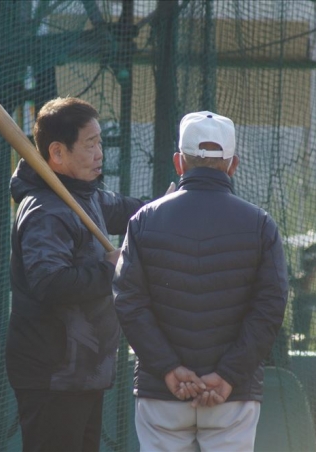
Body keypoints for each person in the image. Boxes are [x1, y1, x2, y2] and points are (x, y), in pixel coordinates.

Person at [113, 111, 289, 451]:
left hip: (162, 392)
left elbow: (128, 302)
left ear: (179, 162)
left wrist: (168, 369)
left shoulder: (144, 219)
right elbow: (270, 308)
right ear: (233, 164)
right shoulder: (260, 223)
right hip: (231, 396)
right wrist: (227, 375)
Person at [7, 96, 144, 452]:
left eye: (100, 143)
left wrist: (168, 209)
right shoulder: (45, 211)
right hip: (53, 376)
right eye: (90, 144)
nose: (100, 154)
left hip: (83, 374)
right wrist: (109, 269)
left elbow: (133, 213)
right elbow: (50, 283)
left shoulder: (87, 196)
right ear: (57, 152)